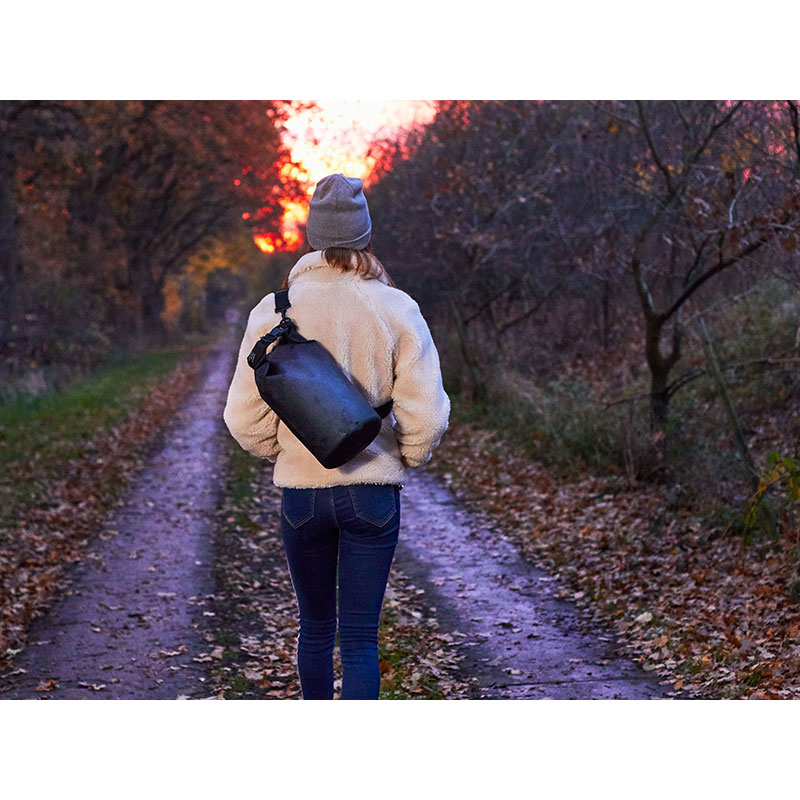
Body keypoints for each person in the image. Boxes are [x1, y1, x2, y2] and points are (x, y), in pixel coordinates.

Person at [223, 173, 451, 700]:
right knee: (359, 640)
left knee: (316, 630)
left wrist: (283, 449)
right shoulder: (397, 308)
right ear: (365, 234)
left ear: (313, 235)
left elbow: (242, 418)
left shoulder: (274, 311)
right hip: (372, 495)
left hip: (301, 497)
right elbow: (427, 414)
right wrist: (408, 454)